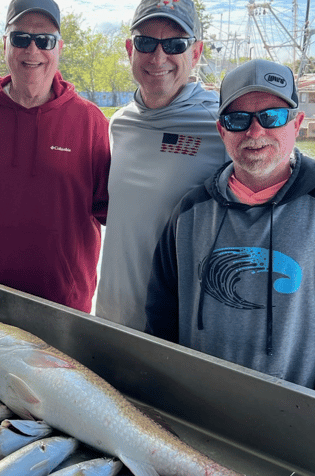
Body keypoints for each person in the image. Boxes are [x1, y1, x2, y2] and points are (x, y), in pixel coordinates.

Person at [145, 59, 315, 402]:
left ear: (297, 123)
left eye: (272, 117)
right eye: (237, 119)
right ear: (221, 129)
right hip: (193, 407)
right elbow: (160, 315)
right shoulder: (189, 212)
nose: (254, 133)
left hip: (292, 421)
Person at [0, 0, 110, 313]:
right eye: (20, 39)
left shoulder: (91, 121)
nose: (32, 50)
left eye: (45, 40)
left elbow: (117, 214)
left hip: (66, 308)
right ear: (5, 44)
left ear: (59, 48)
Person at [95, 0, 227, 331]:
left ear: (195, 53)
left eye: (175, 45)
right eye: (145, 42)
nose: (158, 57)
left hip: (174, 334)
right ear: (129, 49)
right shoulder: (120, 123)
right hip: (110, 320)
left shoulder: (223, 127)